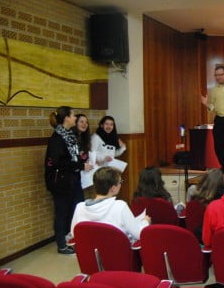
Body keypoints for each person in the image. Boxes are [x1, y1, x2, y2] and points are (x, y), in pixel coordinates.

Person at [44, 106, 93, 254]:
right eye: (73, 116)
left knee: (78, 208)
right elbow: (59, 162)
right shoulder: (57, 137)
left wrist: (81, 160)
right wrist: (80, 165)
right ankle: (61, 244)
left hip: (73, 179)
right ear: (66, 118)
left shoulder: (70, 135)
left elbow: (73, 156)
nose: (75, 119)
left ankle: (74, 238)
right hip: (60, 182)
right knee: (61, 212)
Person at [71, 167, 151, 241]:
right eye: (120, 182)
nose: (121, 184)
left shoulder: (80, 207)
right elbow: (139, 235)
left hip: (90, 254)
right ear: (113, 188)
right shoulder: (120, 206)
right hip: (117, 254)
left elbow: (74, 234)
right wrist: (145, 222)